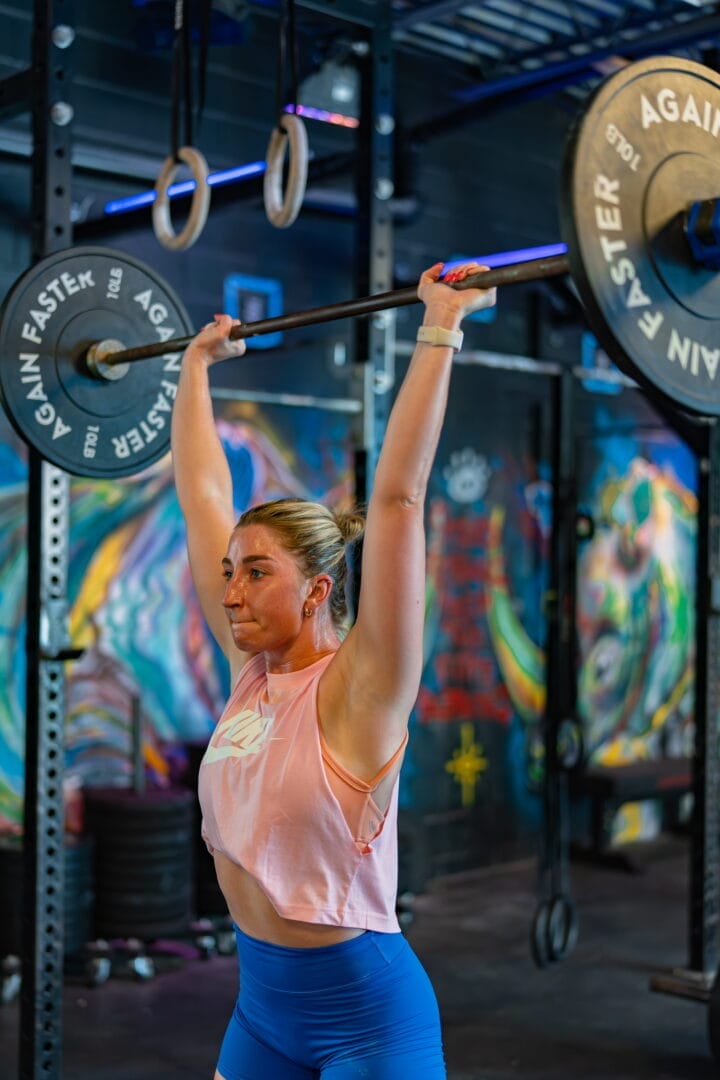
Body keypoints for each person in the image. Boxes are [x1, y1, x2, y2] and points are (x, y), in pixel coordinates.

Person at [171, 261, 496, 1080]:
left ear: (317, 590)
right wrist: (194, 369)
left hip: (370, 1024)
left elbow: (397, 501)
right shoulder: (255, 674)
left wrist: (440, 326)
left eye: (255, 573)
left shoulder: (364, 686)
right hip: (262, 1015)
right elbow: (203, 491)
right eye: (229, 572)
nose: (232, 592)